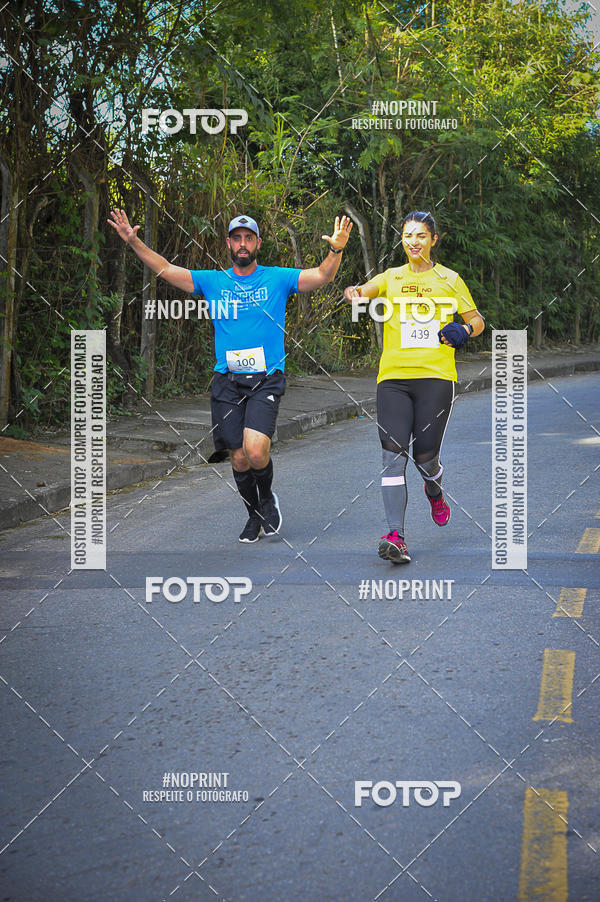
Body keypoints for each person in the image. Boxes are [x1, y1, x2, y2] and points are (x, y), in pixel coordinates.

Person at [108, 209, 352, 543]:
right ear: (228, 243)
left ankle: (266, 499)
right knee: (237, 458)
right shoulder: (214, 281)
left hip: (266, 377)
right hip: (227, 381)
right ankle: (253, 514)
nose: (242, 243)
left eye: (248, 238)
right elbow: (165, 268)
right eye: (236, 238)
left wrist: (335, 250)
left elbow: (323, 275)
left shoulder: (277, 278)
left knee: (255, 451)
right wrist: (134, 241)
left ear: (257, 243)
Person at [343, 211, 485, 564]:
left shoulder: (450, 279)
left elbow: (477, 320)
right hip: (393, 378)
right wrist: (355, 293)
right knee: (392, 455)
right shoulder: (391, 278)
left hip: (436, 377)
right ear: (402, 240)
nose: (414, 242)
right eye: (408, 236)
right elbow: (365, 290)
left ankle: (434, 488)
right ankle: (397, 537)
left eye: (421, 235)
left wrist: (464, 331)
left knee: (424, 456)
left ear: (434, 240)